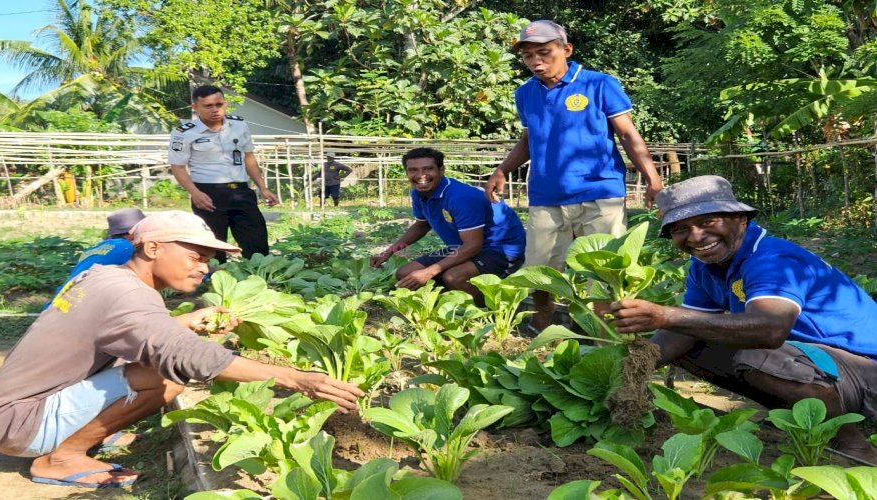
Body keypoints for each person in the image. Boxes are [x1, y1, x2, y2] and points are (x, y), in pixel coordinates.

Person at [0, 211, 363, 488]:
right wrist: (295, 378)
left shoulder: (106, 277)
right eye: (195, 257)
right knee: (167, 379)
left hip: (13, 409)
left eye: (208, 261)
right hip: (19, 425)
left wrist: (190, 321)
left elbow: (137, 335)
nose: (203, 269)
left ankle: (81, 434)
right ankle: (60, 458)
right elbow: (187, 357)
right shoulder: (128, 295)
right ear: (153, 247)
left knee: (151, 367)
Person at [603, 175, 877, 464]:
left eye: (708, 222)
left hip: (866, 371)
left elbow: (770, 330)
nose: (695, 237)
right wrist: (626, 375)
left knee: (756, 353)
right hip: (826, 370)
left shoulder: (772, 259)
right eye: (681, 229)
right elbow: (682, 332)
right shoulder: (705, 267)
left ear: (741, 219)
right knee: (687, 339)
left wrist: (663, 315)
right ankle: (797, 416)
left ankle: (852, 446)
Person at [484, 19, 664, 331]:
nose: (536, 61)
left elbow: (627, 135)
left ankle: (601, 333)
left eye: (544, 52)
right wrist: (503, 169)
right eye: (528, 56)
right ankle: (542, 327)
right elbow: (530, 138)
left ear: (566, 49)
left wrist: (653, 179)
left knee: (606, 270)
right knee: (539, 270)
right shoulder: (525, 93)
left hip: (600, 193)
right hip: (546, 195)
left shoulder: (599, 84)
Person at [370, 147, 526, 306]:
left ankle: (492, 309)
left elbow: (473, 247)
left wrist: (428, 272)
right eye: (413, 170)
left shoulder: (461, 197)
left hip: (500, 249)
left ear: (442, 170)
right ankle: (454, 303)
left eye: (428, 168)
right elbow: (421, 226)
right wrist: (388, 252)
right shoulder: (418, 194)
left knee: (453, 277)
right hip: (463, 246)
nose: (420, 175)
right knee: (405, 273)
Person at [169, 84, 279, 260]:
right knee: (212, 250)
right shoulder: (184, 133)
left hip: (241, 192)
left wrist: (263, 188)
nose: (215, 110)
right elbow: (178, 167)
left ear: (225, 104)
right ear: (195, 108)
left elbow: (248, 158)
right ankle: (213, 283)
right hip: (208, 195)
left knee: (257, 246)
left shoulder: (239, 125)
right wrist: (195, 193)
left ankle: (258, 281)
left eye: (219, 104)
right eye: (208, 106)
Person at [42, 208, 146, 311]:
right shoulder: (127, 248)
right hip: (76, 311)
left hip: (57, 305)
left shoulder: (97, 247)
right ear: (131, 233)